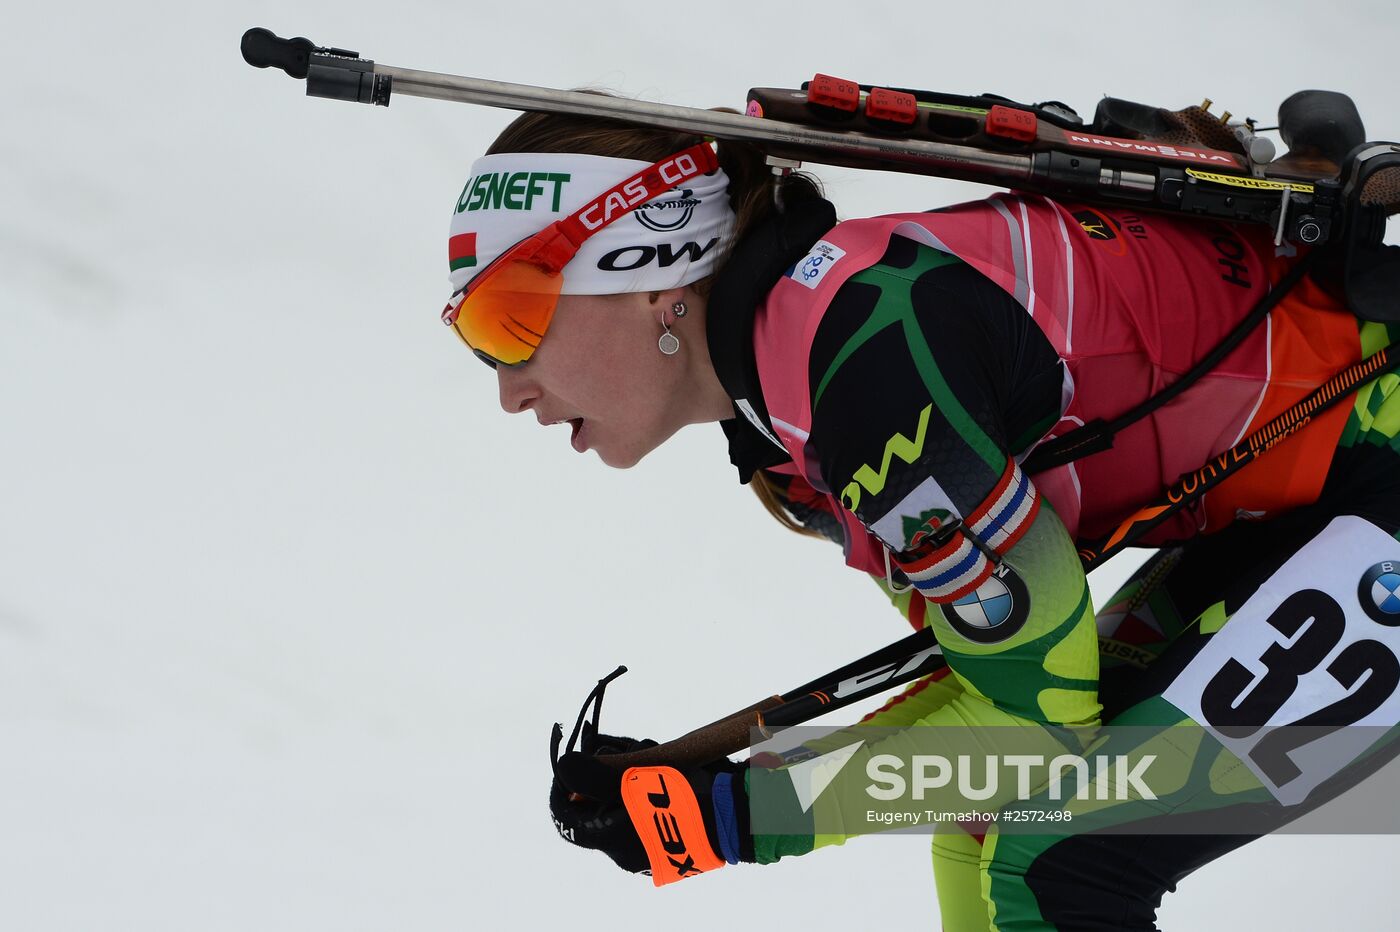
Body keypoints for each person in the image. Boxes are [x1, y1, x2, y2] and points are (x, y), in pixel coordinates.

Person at [441, 107, 1400, 930]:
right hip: (1322, 489)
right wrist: (726, 800)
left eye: (510, 319)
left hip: (1374, 468)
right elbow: (1001, 711)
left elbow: (1036, 727)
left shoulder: (859, 374)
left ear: (654, 264)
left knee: (1059, 863)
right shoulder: (794, 406)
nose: (508, 391)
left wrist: (735, 814)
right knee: (1001, 825)